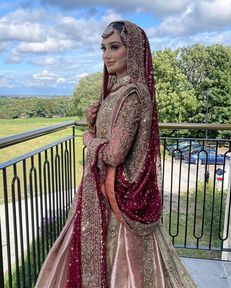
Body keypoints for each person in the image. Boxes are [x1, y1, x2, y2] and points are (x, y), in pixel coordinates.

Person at [36, 20, 196, 287]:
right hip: (104, 191)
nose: (106, 55)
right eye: (103, 48)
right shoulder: (117, 90)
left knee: (123, 266)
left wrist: (88, 138)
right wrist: (92, 123)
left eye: (114, 47)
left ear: (132, 51)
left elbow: (114, 154)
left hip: (118, 196)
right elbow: (110, 136)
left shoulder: (132, 94)